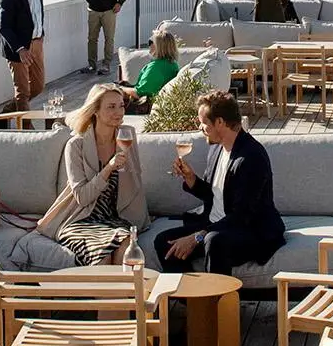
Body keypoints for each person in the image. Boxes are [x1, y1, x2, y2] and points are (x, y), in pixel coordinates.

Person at [153, 90, 285, 275]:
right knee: (163, 242)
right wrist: (191, 179)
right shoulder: (216, 149)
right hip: (215, 224)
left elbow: (242, 216)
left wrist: (197, 237)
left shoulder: (251, 157)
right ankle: (193, 300)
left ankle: (216, 301)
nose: (200, 128)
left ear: (220, 122)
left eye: (204, 123)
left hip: (250, 230)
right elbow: (214, 195)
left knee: (214, 241)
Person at [49, 84, 150, 265]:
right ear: (95, 110)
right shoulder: (76, 146)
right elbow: (82, 197)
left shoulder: (126, 135)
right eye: (111, 107)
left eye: (121, 105)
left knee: (127, 246)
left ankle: (125, 294)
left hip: (116, 219)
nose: (119, 112)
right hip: (82, 219)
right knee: (102, 254)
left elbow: (135, 181)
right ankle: (105, 294)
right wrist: (108, 168)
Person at [0, 0, 48, 110]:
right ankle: (26, 130)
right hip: (18, 47)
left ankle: (7, 112)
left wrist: (40, 37)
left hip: (36, 42)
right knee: (23, 91)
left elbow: (36, 14)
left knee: (38, 86)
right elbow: (4, 27)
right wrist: (20, 49)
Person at [133, 29, 181, 103]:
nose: (148, 45)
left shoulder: (155, 67)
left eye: (150, 42)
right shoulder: (173, 65)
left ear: (157, 46)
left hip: (148, 105)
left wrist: (121, 89)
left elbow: (140, 93)